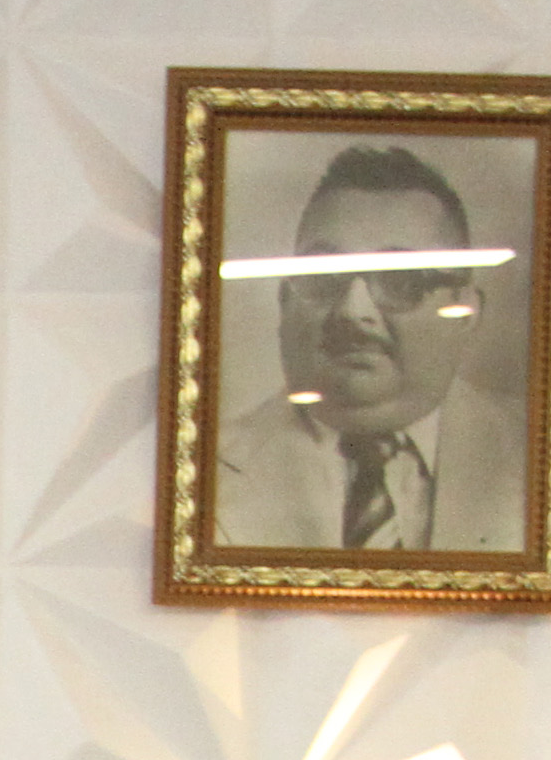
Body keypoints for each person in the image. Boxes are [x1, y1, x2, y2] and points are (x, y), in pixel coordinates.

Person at [212, 141, 530, 553]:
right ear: (285, 302)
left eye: (400, 281)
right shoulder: (202, 469)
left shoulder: (541, 459)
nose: (352, 311)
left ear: (465, 311)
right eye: (321, 277)